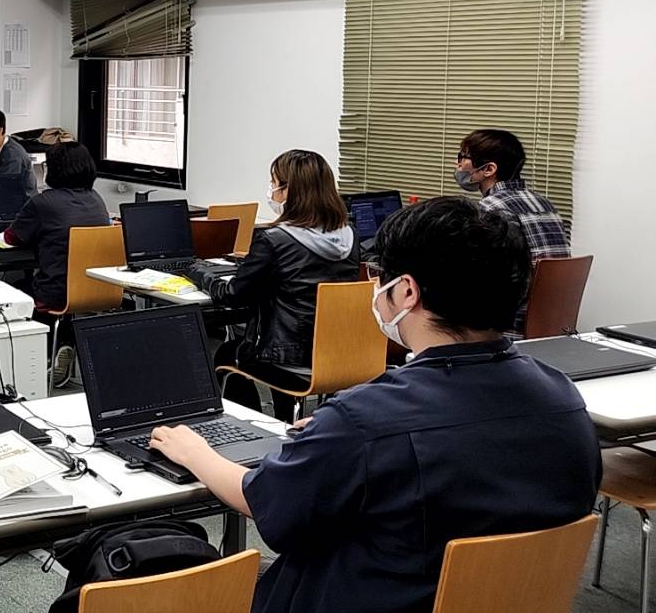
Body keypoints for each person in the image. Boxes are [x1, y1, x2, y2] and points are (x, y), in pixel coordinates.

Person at [149, 196, 600, 613]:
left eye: (380, 276)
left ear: (406, 292)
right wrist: (334, 440)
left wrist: (195, 452)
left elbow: (263, 501)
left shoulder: (364, 420)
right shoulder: (563, 399)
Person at [212, 150, 361, 421]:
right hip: (340, 357)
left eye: (274, 183)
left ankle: (259, 428)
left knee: (227, 353)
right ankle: (282, 421)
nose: (271, 190)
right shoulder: (349, 238)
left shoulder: (274, 240)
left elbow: (234, 295)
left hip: (288, 359)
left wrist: (201, 276)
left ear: (289, 191)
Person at [1, 141, 110, 387]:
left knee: (15, 289)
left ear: (54, 169)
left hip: (56, 293)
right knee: (59, 285)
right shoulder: (97, 199)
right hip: (99, 290)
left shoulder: (43, 202)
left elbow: (12, 237)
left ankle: (34, 362)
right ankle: (66, 341)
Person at [456, 128, 571, 261]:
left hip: (523, 275)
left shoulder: (489, 208)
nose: (457, 164)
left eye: (463, 157)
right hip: (558, 276)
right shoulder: (544, 203)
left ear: (489, 169)